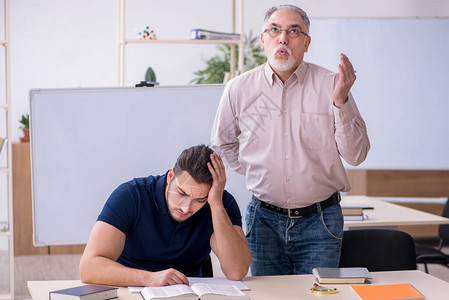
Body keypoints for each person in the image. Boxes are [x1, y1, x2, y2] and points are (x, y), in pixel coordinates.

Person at [210, 4, 370, 276]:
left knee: (317, 295)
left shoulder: (332, 84)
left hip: (320, 220)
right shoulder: (238, 89)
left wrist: (340, 100)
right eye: (275, 30)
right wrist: (255, 168)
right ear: (263, 39)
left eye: (293, 31)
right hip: (264, 220)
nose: (283, 38)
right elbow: (223, 144)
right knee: (268, 296)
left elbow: (356, 155)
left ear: (306, 43)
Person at [79, 145, 251, 286]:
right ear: (170, 176)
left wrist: (216, 204)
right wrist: (149, 278)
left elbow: (236, 271)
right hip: (130, 289)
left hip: (187, 293)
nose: (186, 208)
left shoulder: (220, 203)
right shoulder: (131, 196)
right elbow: (89, 267)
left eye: (199, 200)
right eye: (181, 193)